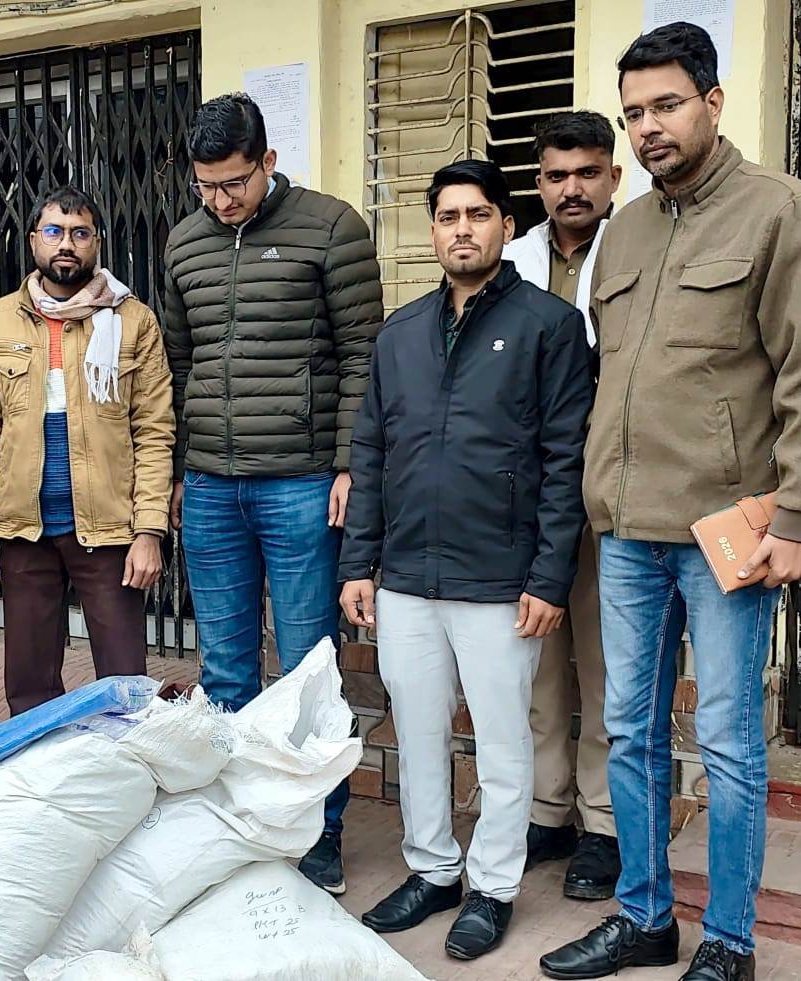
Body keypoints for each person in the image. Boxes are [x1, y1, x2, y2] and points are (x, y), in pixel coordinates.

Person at [541, 24, 801, 981]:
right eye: (634, 113)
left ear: (713, 101)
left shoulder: (782, 212)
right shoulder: (622, 231)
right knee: (629, 731)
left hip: (724, 530)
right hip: (626, 530)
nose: (648, 128)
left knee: (729, 741)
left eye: (666, 105)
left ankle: (732, 940)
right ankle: (645, 916)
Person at [341, 160, 593, 961]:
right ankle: (433, 869)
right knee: (417, 730)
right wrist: (359, 563)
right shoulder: (400, 332)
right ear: (432, 231)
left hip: (499, 579)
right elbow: (371, 451)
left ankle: (492, 887)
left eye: (478, 215)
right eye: (448, 216)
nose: (462, 229)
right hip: (408, 577)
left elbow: (566, 461)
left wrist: (548, 576)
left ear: (505, 227)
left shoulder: (549, 326)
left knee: (503, 740)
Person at [161, 91, 383, 893]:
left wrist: (349, 465)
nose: (222, 201)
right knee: (224, 671)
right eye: (207, 186)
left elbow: (363, 355)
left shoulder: (332, 227)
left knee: (307, 672)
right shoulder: (184, 242)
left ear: (269, 162)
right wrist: (179, 467)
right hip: (211, 486)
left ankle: (318, 836)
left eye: (235, 183)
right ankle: (244, 828)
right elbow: (179, 364)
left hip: (301, 483)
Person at [0, 186, 174, 714]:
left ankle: (125, 766)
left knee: (126, 688)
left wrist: (149, 532)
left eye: (80, 233)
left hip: (109, 529)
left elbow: (154, 432)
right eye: (54, 231)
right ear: (33, 239)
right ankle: (44, 769)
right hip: (23, 529)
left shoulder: (133, 322)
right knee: (29, 689)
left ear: (97, 242)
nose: (66, 244)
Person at [504, 109, 621, 900]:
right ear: (538, 182)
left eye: (587, 173)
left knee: (608, 668)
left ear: (613, 175)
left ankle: (604, 825)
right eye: (556, 175)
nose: (572, 188)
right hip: (531, 493)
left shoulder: (640, 242)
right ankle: (547, 811)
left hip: (610, 486)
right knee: (539, 666)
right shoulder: (514, 258)